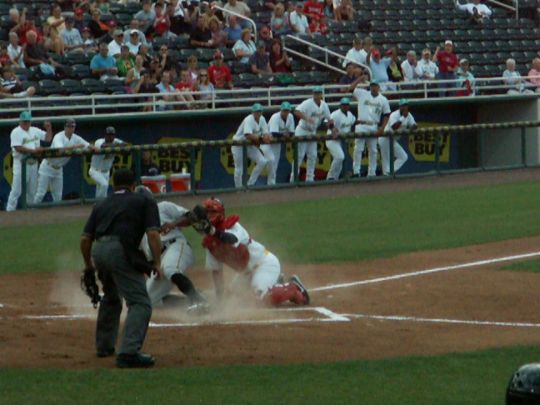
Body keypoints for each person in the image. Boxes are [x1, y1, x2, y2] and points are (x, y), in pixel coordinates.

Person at [80, 168, 162, 368]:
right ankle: (128, 352)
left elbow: (85, 238)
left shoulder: (101, 204)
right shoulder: (144, 201)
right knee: (140, 303)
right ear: (134, 185)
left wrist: (89, 265)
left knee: (111, 295)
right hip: (120, 250)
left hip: (99, 250)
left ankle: (104, 346)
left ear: (113, 185)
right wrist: (158, 262)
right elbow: (153, 234)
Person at [192, 197, 310, 306]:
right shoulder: (210, 244)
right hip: (246, 274)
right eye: (207, 213)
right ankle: (275, 284)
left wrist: (213, 231)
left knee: (259, 301)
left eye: (212, 212)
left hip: (264, 265)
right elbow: (217, 273)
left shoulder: (233, 226)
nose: (209, 216)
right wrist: (219, 302)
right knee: (231, 301)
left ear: (221, 214)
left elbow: (232, 239)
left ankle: (293, 288)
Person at [136, 188, 208, 311]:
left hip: (176, 246)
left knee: (170, 268)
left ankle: (198, 301)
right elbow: (144, 260)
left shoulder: (162, 208)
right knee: (147, 301)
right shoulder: (135, 227)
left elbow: (190, 217)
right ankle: (188, 301)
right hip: (159, 261)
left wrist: (173, 224)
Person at [34, 118, 92, 204]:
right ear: (65, 127)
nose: (70, 128)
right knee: (40, 194)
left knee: (58, 196)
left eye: (72, 126)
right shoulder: (59, 136)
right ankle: (31, 212)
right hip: (47, 167)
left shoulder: (76, 138)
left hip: (58, 169)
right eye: (68, 126)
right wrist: (75, 147)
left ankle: (56, 216)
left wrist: (96, 148)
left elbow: (87, 145)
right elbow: (60, 150)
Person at [6, 112, 52, 212]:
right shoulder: (16, 132)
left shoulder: (34, 130)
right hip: (21, 164)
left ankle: (30, 212)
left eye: (28, 121)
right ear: (20, 121)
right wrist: (34, 151)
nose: (26, 123)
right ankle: (10, 211)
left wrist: (48, 129)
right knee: (16, 190)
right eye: (24, 121)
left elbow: (48, 138)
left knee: (32, 191)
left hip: (33, 164)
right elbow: (18, 148)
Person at [290, 86, 333, 182]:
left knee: (313, 155)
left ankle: (310, 178)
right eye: (315, 93)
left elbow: (328, 119)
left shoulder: (324, 105)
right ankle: (293, 179)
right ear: (313, 94)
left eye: (318, 93)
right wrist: (306, 118)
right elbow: (296, 111)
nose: (317, 95)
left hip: (313, 132)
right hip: (302, 130)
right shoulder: (308, 103)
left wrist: (331, 125)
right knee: (299, 156)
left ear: (321, 94)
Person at [350, 79, 390, 177]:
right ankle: (356, 172)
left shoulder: (383, 99)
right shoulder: (362, 93)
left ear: (378, 87)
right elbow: (350, 89)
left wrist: (382, 127)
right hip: (361, 124)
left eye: (375, 85)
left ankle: (372, 172)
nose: (373, 87)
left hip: (373, 125)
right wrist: (359, 78)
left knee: (373, 150)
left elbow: (387, 114)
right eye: (372, 85)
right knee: (358, 149)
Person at [231, 103, 273, 188]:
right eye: (256, 111)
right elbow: (248, 135)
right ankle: (238, 189)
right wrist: (261, 139)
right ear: (253, 112)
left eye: (260, 111)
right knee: (239, 169)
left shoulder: (262, 119)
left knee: (262, 161)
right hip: (238, 144)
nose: (258, 113)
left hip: (249, 144)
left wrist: (267, 137)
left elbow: (266, 134)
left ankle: (250, 184)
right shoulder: (248, 119)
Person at [380, 99, 416, 176]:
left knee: (403, 156)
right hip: (385, 138)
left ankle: (389, 172)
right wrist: (403, 117)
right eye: (403, 106)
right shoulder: (394, 115)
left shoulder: (408, 115)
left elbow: (414, 125)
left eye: (406, 105)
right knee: (386, 160)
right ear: (400, 107)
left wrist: (412, 126)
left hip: (392, 139)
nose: (405, 107)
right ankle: (386, 177)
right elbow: (394, 127)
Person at [89, 126, 125, 199]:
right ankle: (100, 204)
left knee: (101, 190)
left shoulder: (115, 141)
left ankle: (97, 205)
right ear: (105, 135)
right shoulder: (99, 141)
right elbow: (103, 146)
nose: (110, 137)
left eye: (112, 135)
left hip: (106, 172)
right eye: (108, 135)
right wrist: (117, 145)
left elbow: (126, 145)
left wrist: (118, 144)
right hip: (95, 171)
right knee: (104, 185)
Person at [326, 98, 355, 181]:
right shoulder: (335, 114)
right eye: (343, 105)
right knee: (340, 157)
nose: (345, 106)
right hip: (331, 139)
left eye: (346, 105)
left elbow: (353, 123)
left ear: (349, 106)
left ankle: (334, 178)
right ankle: (330, 177)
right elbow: (326, 122)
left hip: (341, 140)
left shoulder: (350, 115)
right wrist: (333, 129)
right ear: (340, 106)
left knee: (341, 158)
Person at [267, 101, 295, 185]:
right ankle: (270, 183)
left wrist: (286, 135)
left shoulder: (290, 116)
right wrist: (284, 135)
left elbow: (291, 132)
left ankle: (271, 183)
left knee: (274, 162)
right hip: (267, 142)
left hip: (277, 142)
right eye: (284, 110)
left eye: (287, 111)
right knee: (269, 162)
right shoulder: (275, 117)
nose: (286, 112)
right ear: (281, 110)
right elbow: (274, 133)